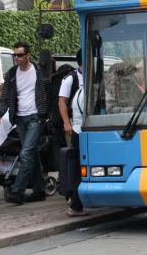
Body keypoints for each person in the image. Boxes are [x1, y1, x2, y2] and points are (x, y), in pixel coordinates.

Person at [0, 42, 49, 205]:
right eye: (14, 55)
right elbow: (5, 96)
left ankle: (17, 191)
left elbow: (49, 92)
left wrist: (45, 113)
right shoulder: (11, 74)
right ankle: (39, 191)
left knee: (25, 154)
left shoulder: (39, 70)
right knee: (31, 155)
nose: (16, 58)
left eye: (19, 55)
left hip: (36, 117)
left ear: (28, 56)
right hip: (19, 118)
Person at [63, 87, 87, 217]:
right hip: (82, 133)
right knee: (81, 172)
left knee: (78, 171)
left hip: (77, 132)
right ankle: (75, 206)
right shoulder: (86, 92)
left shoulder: (78, 91)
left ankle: (74, 202)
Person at [58, 49, 83, 144]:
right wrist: (67, 124)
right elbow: (62, 102)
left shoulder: (94, 78)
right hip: (74, 126)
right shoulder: (70, 79)